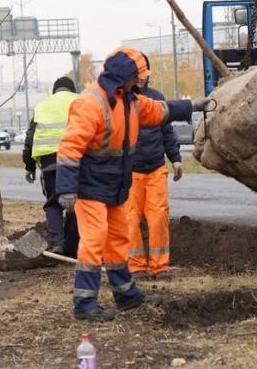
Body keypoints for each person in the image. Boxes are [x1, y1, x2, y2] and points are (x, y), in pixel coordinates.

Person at [56, 47, 207, 321]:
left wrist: (191, 106)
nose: (140, 80)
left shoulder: (130, 101)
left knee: (118, 241)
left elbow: (159, 110)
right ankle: (84, 304)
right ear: (123, 76)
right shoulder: (91, 102)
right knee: (94, 240)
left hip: (115, 187)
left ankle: (126, 296)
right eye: (137, 75)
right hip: (90, 187)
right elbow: (70, 147)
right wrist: (66, 188)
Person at [127, 55, 182, 281]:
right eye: (137, 75)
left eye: (144, 74)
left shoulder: (157, 98)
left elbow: (167, 131)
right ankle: (136, 267)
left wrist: (175, 158)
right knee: (130, 220)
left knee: (158, 217)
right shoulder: (122, 101)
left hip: (156, 169)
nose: (141, 78)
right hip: (131, 172)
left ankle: (160, 267)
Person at [22, 76, 80, 256]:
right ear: (73, 90)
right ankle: (73, 247)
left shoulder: (42, 106)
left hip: (50, 162)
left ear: (55, 91)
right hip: (77, 160)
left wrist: (29, 166)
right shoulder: (81, 101)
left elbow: (30, 139)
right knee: (77, 203)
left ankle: (57, 244)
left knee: (53, 204)